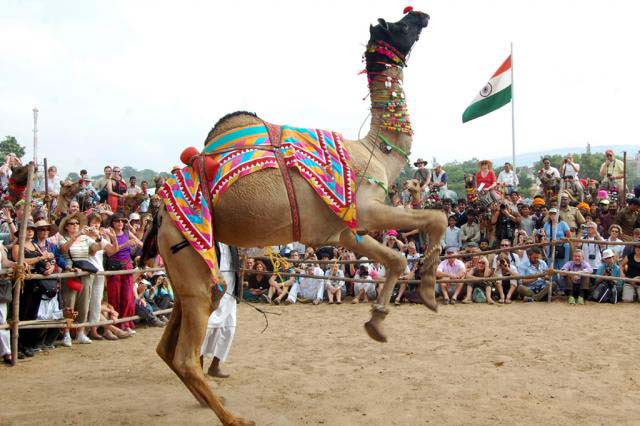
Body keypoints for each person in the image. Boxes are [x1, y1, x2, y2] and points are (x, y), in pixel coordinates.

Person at [58, 212, 102, 346]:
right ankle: (66, 333)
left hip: (84, 272)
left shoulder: (85, 238)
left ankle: (81, 332)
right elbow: (63, 249)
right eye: (72, 224)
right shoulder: (63, 238)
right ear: (66, 227)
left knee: (84, 304)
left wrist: (98, 236)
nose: (76, 226)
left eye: (77, 223)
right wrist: (76, 236)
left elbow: (96, 249)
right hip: (70, 273)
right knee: (69, 304)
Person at [201, 242, 240, 378]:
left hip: (231, 289)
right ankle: (198, 364)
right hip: (214, 286)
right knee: (207, 327)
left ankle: (214, 366)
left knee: (229, 328)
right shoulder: (209, 239)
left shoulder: (232, 240)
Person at [104, 213, 143, 334]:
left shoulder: (127, 232)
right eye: (117, 221)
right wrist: (125, 245)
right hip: (114, 266)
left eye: (122, 220)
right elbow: (109, 253)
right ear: (112, 222)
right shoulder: (108, 234)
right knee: (115, 296)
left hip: (127, 266)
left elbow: (140, 242)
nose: (120, 223)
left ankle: (126, 323)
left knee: (127, 296)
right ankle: (116, 324)